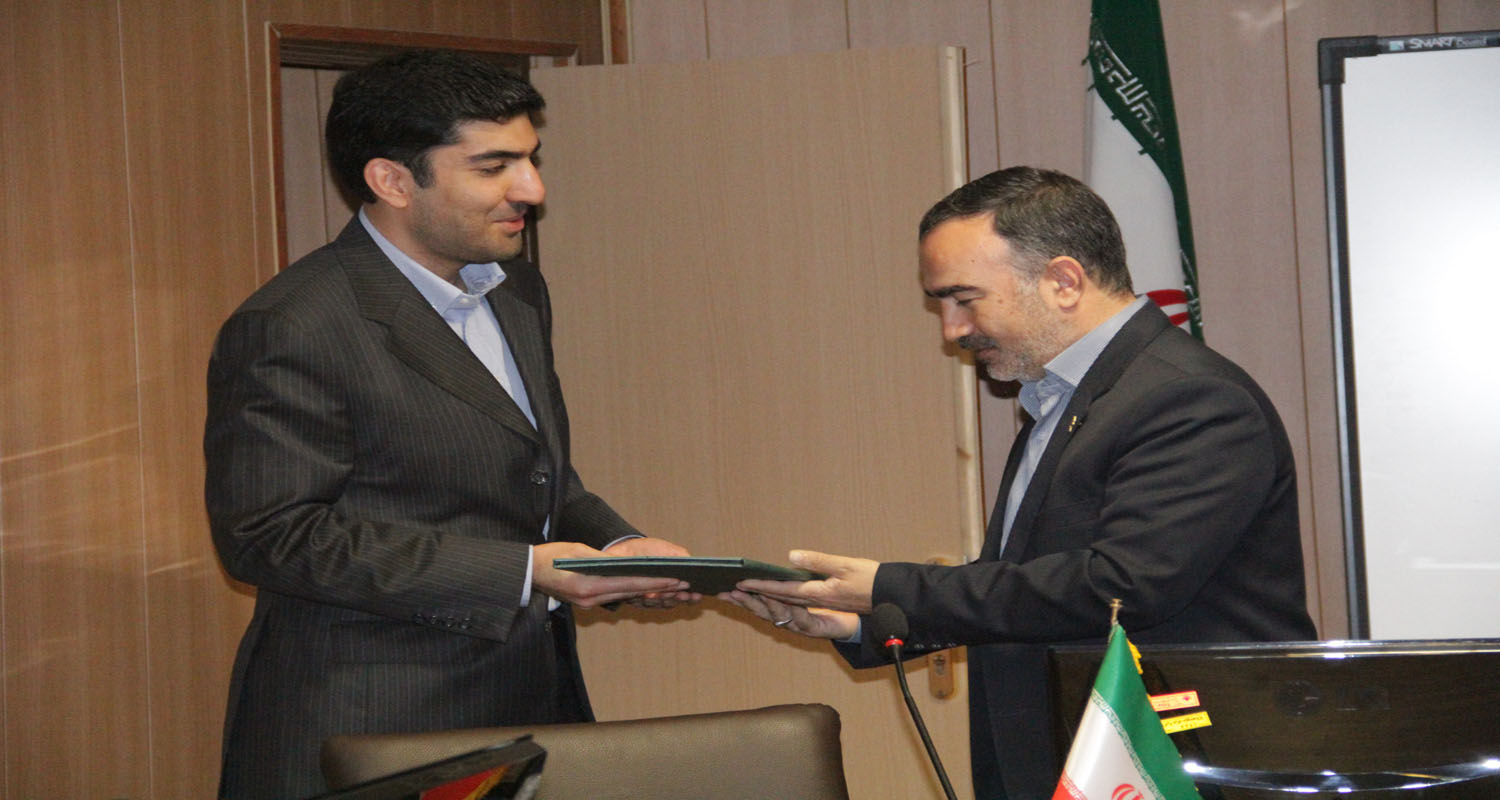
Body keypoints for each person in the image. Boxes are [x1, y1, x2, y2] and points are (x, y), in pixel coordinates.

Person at [725, 166, 1317, 799]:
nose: (952, 329)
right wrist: (862, 624)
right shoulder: (1061, 396)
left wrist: (889, 587)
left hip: (1172, 770)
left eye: (964, 298)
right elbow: (1027, 583)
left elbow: (1120, 588)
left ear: (1063, 281)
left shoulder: (1188, 398)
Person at [204, 49, 697, 800]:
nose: (531, 190)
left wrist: (617, 548)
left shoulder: (517, 289)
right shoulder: (294, 324)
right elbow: (269, 536)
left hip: (528, 711)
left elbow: (533, 475)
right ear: (392, 181)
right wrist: (523, 573)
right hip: (373, 727)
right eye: (493, 166)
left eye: (530, 159)